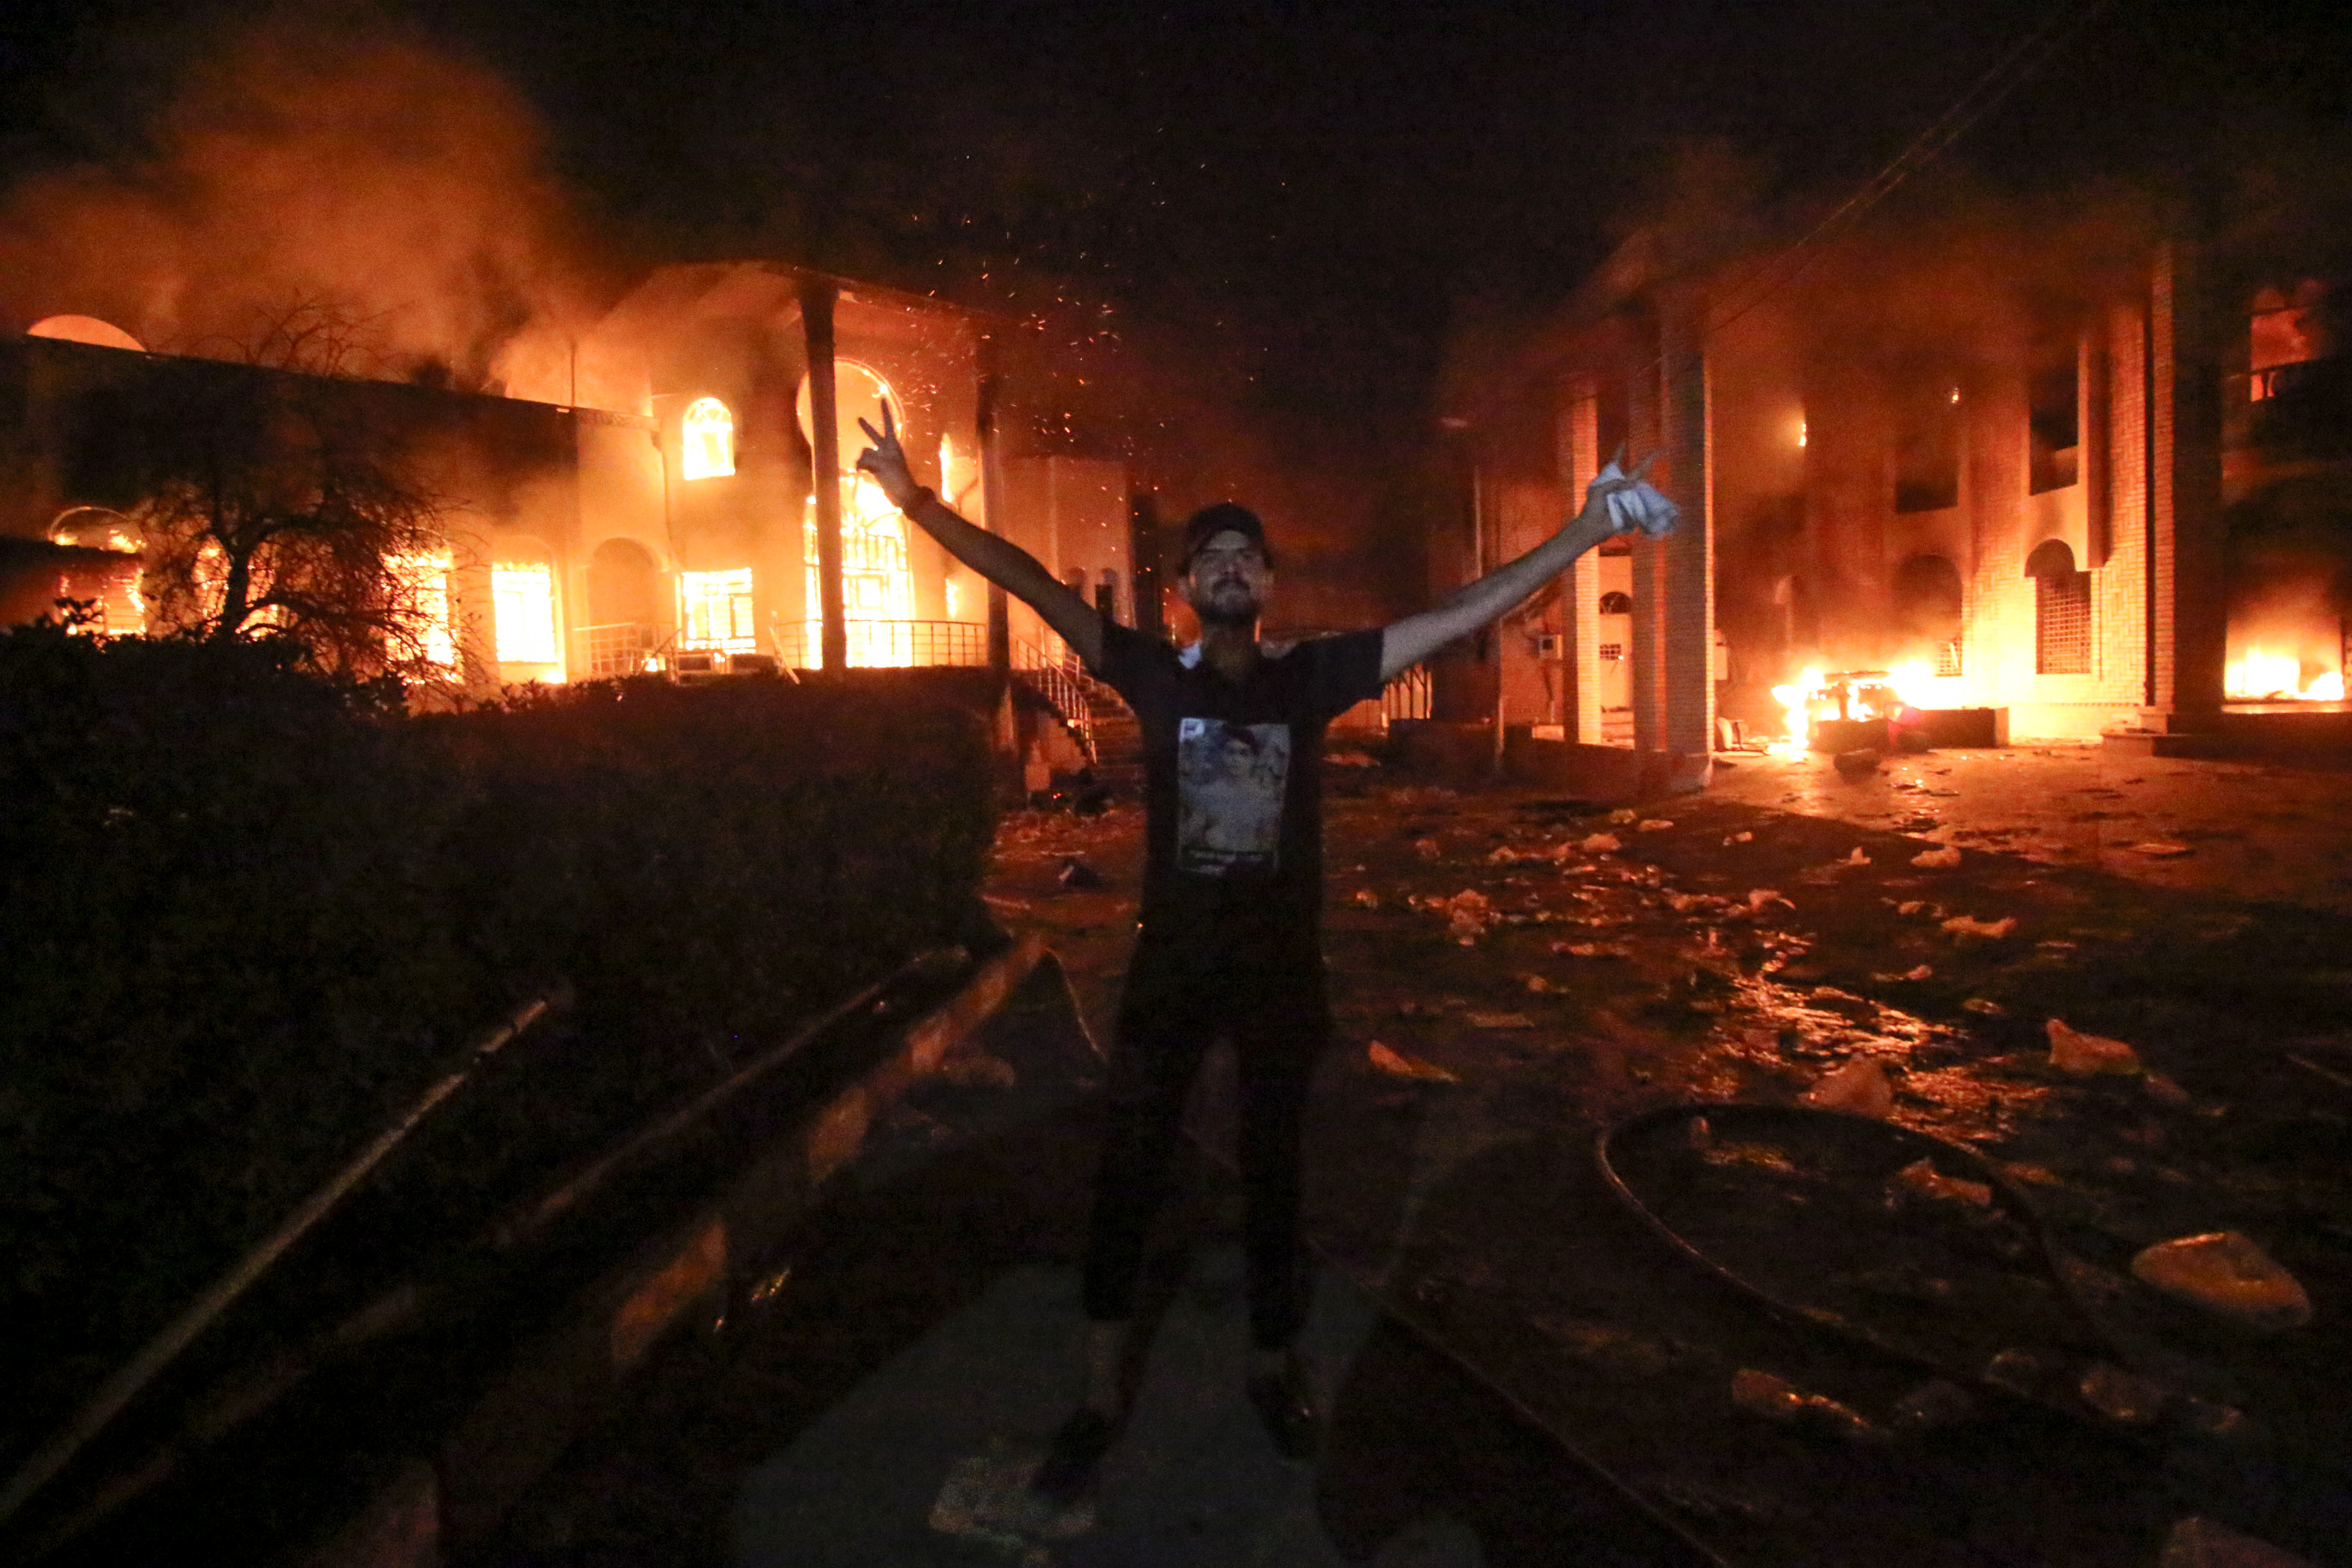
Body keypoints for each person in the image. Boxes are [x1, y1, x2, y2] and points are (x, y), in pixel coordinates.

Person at [852, 404, 1668, 1492]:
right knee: (1130, 1170)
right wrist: (914, 502)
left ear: (1269, 583)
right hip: (1171, 973)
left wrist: (1579, 533)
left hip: (1281, 978)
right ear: (1186, 587)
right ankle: (1099, 1393)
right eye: (1211, 556)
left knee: (1278, 1177)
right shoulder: (1154, 676)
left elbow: (1456, 612)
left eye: (1248, 554)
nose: (1231, 567)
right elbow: (1030, 581)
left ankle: (1270, 1365)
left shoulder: (1313, 679)